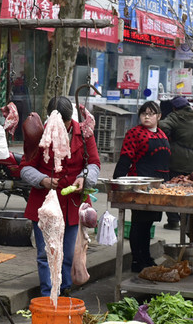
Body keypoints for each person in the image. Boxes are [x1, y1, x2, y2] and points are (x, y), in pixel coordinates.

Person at [19, 96, 101, 298]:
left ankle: (64, 291)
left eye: (65, 123)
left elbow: (94, 164)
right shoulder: (40, 134)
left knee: (68, 253)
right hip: (45, 203)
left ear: (69, 118)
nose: (62, 128)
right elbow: (25, 168)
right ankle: (48, 294)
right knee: (45, 254)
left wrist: (85, 178)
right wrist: (43, 180)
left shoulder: (84, 133)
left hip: (72, 201)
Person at [113, 101, 170, 271]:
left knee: (149, 223)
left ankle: (146, 256)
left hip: (158, 185)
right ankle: (137, 260)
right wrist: (118, 181)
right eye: (144, 113)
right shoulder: (134, 133)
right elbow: (125, 158)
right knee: (139, 222)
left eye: (151, 113)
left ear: (158, 117)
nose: (147, 116)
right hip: (139, 185)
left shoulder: (162, 134)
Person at [159, 95, 193, 234]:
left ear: (174, 107)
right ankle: (187, 221)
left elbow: (162, 126)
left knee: (171, 190)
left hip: (177, 160)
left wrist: (169, 137)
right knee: (189, 190)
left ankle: (173, 220)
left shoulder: (176, 116)